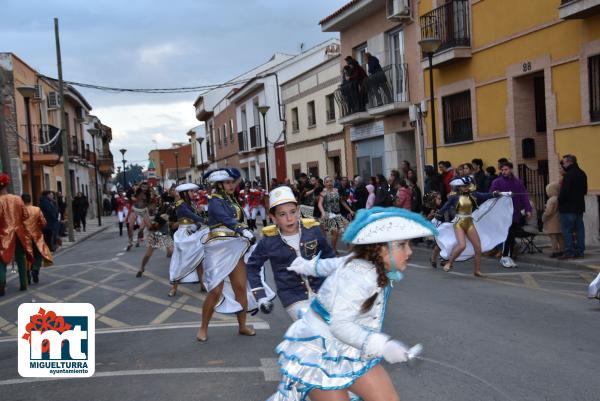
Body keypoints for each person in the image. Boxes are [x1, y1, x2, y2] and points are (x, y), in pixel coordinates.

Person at [267, 207, 437, 401]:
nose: (409, 251)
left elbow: (330, 265)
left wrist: (306, 266)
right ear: (381, 249)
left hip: (353, 349)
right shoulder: (358, 276)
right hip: (320, 353)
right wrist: (383, 345)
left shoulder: (363, 263)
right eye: (401, 245)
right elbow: (340, 325)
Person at [246, 186, 335, 321]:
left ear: (298, 211)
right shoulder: (268, 241)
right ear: (273, 218)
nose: (289, 218)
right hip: (294, 298)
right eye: (282, 214)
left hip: (323, 291)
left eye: (293, 212)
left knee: (334, 332)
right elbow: (252, 267)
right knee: (311, 329)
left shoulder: (313, 230)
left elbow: (330, 258)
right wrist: (260, 296)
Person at [197, 168, 260, 342]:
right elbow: (226, 219)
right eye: (226, 182)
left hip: (234, 246)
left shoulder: (232, 199)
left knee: (240, 287)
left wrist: (244, 230)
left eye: (232, 182)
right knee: (215, 291)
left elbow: (237, 219)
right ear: (219, 184)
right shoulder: (215, 201)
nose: (231, 185)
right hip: (217, 248)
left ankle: (242, 326)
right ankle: (203, 328)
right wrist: (242, 229)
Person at [436, 177, 502, 277]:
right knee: (462, 245)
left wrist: (495, 194)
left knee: (478, 248)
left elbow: (486, 195)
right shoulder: (454, 197)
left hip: (469, 223)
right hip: (459, 223)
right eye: (463, 186)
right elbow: (445, 206)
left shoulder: (474, 195)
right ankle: (449, 262)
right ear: (459, 187)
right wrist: (437, 216)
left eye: (467, 185)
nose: (466, 188)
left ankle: (477, 271)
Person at [166, 183, 207, 296]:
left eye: (193, 191)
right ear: (185, 193)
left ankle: (202, 284)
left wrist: (202, 214)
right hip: (184, 234)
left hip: (194, 232)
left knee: (198, 258)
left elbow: (196, 217)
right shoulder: (181, 204)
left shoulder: (191, 203)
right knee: (180, 261)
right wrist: (204, 220)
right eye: (191, 192)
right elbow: (191, 216)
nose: (193, 193)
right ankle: (174, 288)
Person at [489, 161, 532, 268]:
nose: (504, 172)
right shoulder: (497, 182)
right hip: (502, 214)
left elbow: (524, 197)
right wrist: (497, 193)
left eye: (506, 169)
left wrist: (528, 209)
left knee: (511, 236)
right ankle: (504, 257)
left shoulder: (518, 182)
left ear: (511, 169)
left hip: (514, 214)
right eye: (502, 170)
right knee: (506, 236)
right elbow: (491, 195)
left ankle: (509, 256)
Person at [0, 173, 33, 295]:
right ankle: (23, 283)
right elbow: (26, 215)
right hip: (18, 233)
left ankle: (1, 282)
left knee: (2, 260)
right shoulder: (17, 199)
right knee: (20, 258)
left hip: (4, 234)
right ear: (7, 185)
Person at [558, 154, 588, 259]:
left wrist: (559, 200)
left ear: (570, 162)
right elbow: (585, 190)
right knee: (580, 229)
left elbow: (564, 192)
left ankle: (569, 251)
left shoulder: (569, 175)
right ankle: (580, 251)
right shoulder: (582, 173)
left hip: (567, 208)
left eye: (564, 162)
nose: (563, 164)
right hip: (579, 207)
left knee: (567, 230)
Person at [21, 193, 53, 285]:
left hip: (24, 237)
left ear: (22, 201)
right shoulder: (37, 209)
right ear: (30, 200)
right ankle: (35, 270)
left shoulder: (19, 211)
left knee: (26, 256)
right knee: (38, 254)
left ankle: (27, 274)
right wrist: (37, 227)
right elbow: (43, 222)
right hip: (36, 236)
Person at [318, 176, 355, 252]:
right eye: (327, 182)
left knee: (348, 229)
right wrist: (322, 212)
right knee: (335, 232)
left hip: (338, 214)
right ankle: (333, 249)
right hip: (329, 215)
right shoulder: (323, 193)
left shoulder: (336, 191)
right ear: (324, 183)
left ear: (333, 182)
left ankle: (348, 246)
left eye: (331, 181)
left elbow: (342, 201)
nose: (329, 183)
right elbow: (319, 204)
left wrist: (350, 210)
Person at [542, 182, 564, 258]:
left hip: (551, 222)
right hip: (559, 220)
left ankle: (555, 251)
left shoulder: (551, 200)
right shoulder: (559, 198)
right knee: (560, 237)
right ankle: (562, 250)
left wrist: (543, 217)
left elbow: (548, 211)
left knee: (553, 238)